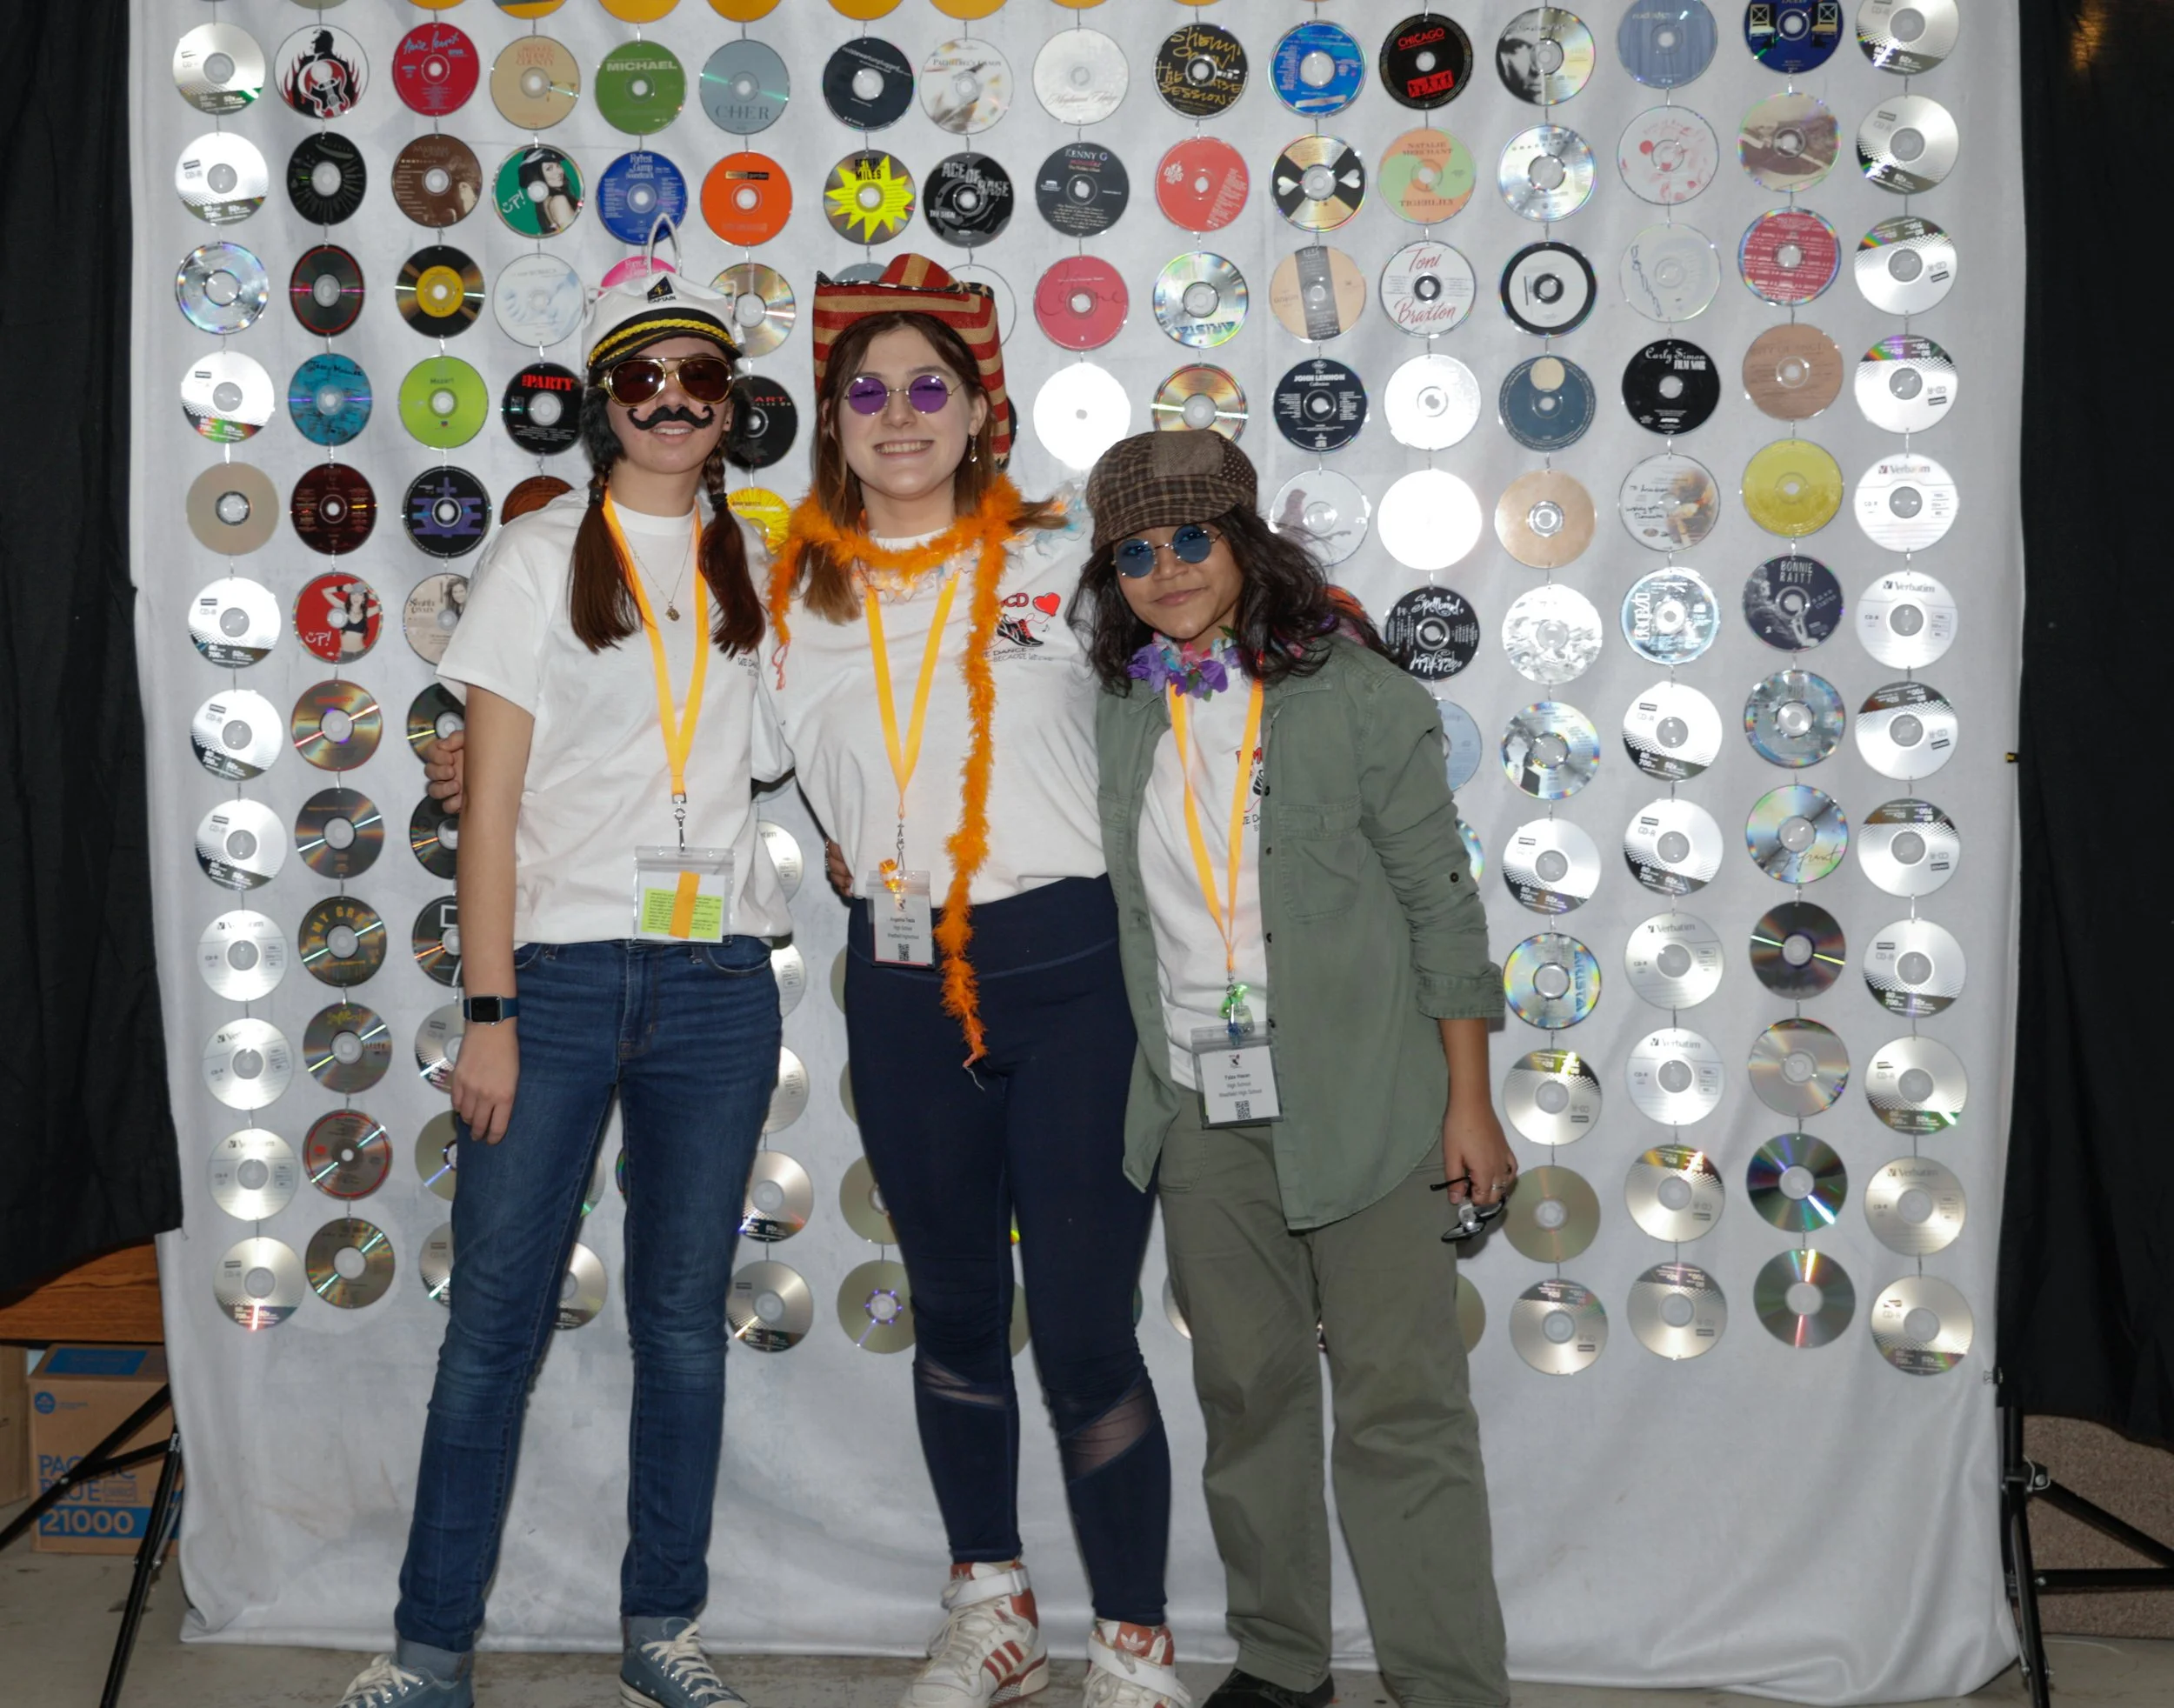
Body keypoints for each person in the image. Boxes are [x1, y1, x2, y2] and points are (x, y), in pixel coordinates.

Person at [425, 257, 1183, 1708]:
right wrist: (475, 758)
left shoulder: (1066, 563)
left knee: (1086, 1328)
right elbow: (691, 734)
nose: (899, 415)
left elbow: (1209, 682)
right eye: (867, 392)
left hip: (1067, 967)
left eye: (928, 389)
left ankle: (1136, 1642)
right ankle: (989, 1608)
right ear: (832, 422)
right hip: (896, 978)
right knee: (957, 1312)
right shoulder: (788, 582)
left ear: (978, 411)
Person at [337, 272, 786, 1708]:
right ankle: (427, 1653)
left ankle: (663, 1628)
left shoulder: (754, 559)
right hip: (560, 982)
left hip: (720, 985)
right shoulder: (539, 555)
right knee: (494, 1327)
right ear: (605, 403)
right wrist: (488, 1011)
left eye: (697, 382)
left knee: (679, 1324)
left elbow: (786, 753)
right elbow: (488, 809)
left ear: (728, 410)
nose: (671, 401)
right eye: (643, 380)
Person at [1070, 431, 1516, 1708]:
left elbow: (1444, 908)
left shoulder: (1360, 695)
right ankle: (1280, 1664)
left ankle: (1447, 1685)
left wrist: (1470, 1102)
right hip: (1203, 1112)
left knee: (1401, 1411)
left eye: (1191, 538)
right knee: (1249, 1395)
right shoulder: (1115, 708)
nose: (1167, 568)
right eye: (1137, 551)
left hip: (1372, 1105)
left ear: (1246, 540)